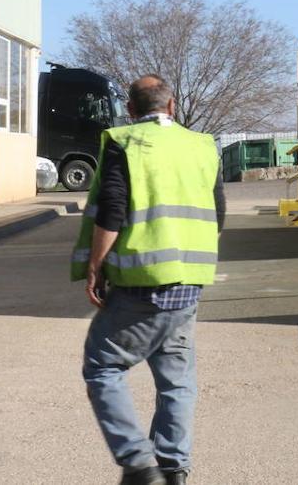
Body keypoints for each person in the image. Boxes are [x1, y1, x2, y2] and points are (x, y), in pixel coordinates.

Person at [70, 75, 225, 485]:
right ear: (172, 106)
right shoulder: (203, 146)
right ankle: (173, 468)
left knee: (103, 366)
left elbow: (112, 212)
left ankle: (139, 464)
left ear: (132, 111)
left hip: (142, 280)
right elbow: (219, 214)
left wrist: (94, 266)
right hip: (190, 280)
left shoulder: (128, 142)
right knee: (176, 378)